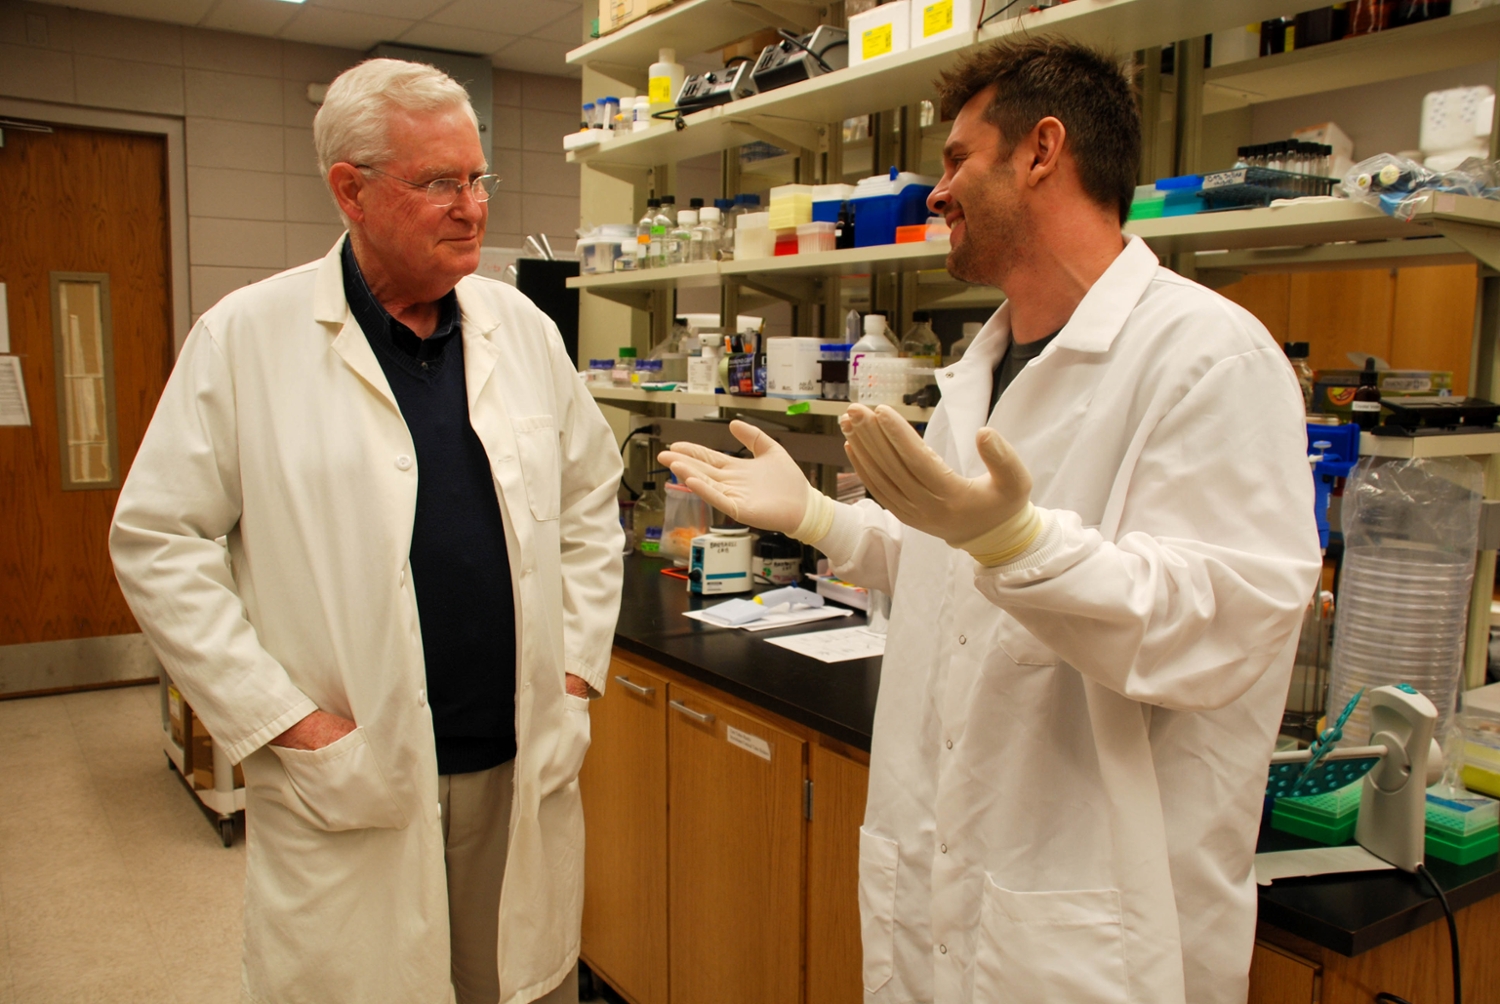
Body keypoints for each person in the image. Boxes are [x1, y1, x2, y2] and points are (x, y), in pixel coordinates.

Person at [660, 37, 1321, 1004]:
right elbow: (957, 575)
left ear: (1042, 150)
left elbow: (1224, 624)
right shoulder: (985, 363)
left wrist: (1019, 544)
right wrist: (822, 522)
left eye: (959, 159)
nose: (938, 192)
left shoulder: (1209, 355)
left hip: (1093, 919)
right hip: (943, 882)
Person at [110, 59, 623, 1004]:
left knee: (518, 983)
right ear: (351, 188)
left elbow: (593, 501)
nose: (472, 207)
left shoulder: (522, 330)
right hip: (354, 772)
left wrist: (576, 665)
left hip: (516, 760)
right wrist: (284, 723)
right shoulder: (247, 339)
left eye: (478, 179)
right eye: (440, 183)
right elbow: (158, 539)